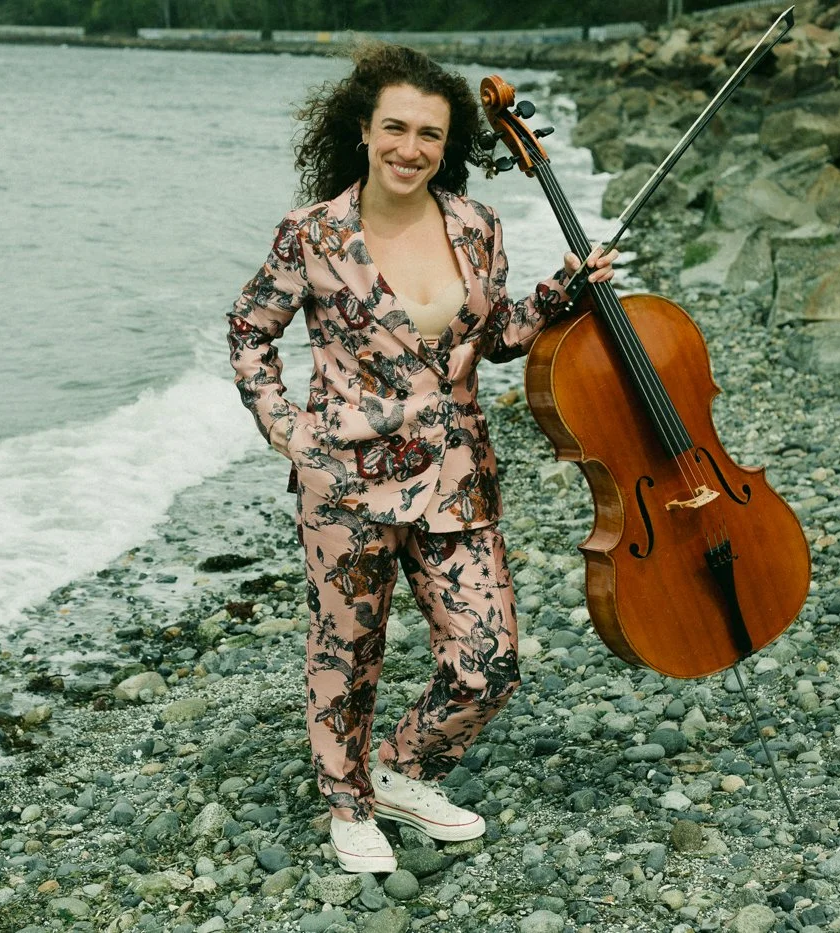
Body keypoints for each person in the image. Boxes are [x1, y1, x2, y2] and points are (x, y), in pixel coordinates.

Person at [227, 43, 617, 875]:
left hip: (457, 476)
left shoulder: (476, 226)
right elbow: (249, 331)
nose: (411, 148)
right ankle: (346, 803)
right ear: (362, 132)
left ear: (448, 144)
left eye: (429, 135)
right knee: (348, 648)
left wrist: (561, 293)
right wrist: (284, 427)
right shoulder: (313, 234)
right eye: (395, 129)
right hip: (346, 486)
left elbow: (499, 337)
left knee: (490, 661)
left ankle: (402, 769)